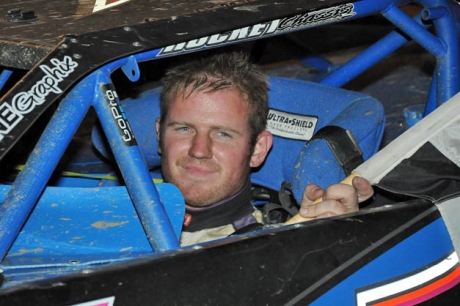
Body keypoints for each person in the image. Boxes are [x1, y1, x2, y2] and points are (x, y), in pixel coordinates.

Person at [156, 51, 374, 246]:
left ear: (258, 149)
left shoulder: (274, 248)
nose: (199, 150)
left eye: (223, 134)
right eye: (184, 129)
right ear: (159, 135)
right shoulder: (121, 212)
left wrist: (336, 243)